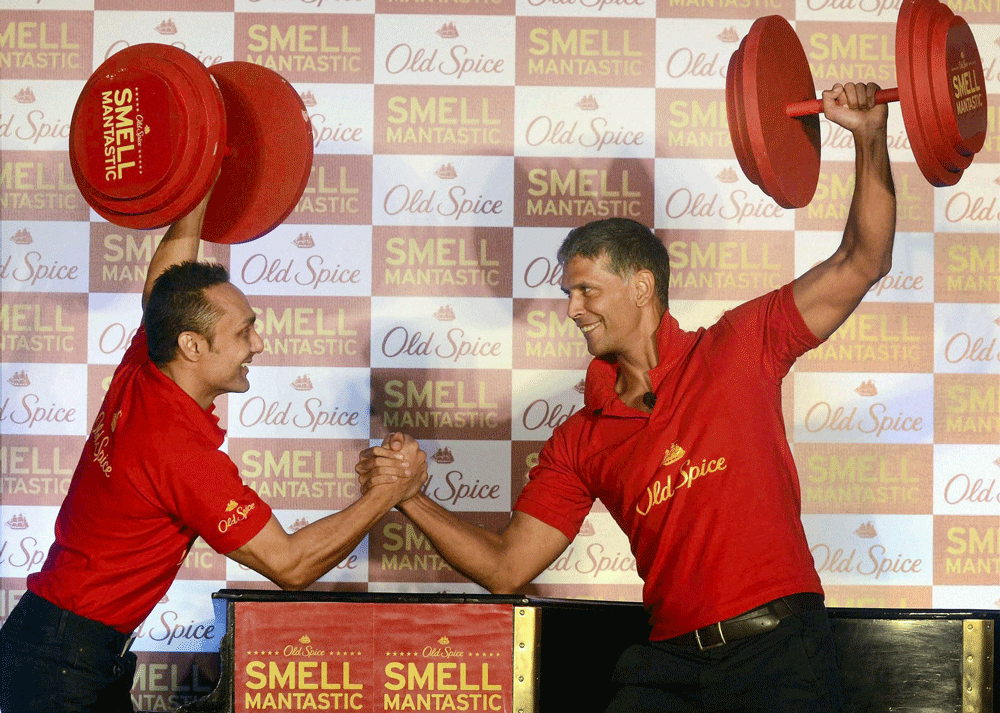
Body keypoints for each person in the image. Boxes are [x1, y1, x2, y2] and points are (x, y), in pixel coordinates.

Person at [358, 82, 895, 712]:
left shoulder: (739, 347)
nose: (571, 309)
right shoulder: (578, 438)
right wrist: (409, 498)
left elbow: (863, 259)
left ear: (642, 286)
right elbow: (507, 567)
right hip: (669, 664)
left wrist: (868, 136)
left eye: (586, 290)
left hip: (781, 655)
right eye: (566, 294)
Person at [0, 191, 426, 713]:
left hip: (60, 646)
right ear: (193, 347)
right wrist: (389, 493)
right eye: (244, 330)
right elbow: (290, 565)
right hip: (64, 667)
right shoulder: (180, 454)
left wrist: (199, 179)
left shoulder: (149, 368)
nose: (259, 344)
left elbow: (167, 281)